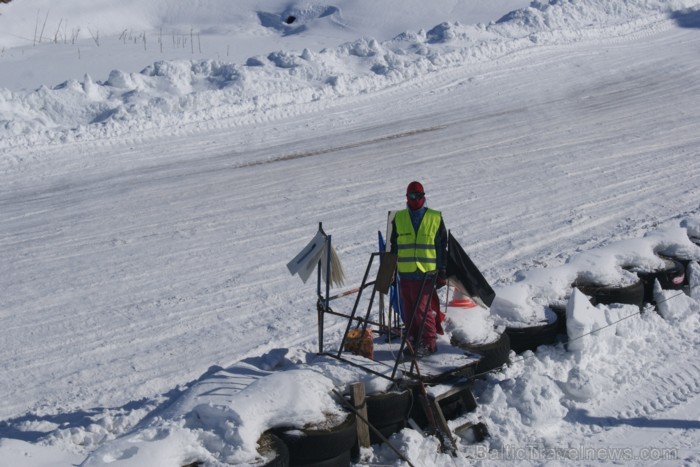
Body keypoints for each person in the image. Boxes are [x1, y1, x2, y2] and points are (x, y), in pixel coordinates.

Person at [390, 181, 447, 357]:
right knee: (408, 310)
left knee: (422, 310)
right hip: (405, 273)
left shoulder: (434, 217)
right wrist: (391, 271)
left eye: (419, 195)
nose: (415, 199)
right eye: (412, 196)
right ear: (407, 197)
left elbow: (441, 246)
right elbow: (394, 247)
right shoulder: (399, 218)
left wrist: (442, 271)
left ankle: (428, 343)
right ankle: (413, 340)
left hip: (425, 274)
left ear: (424, 196)